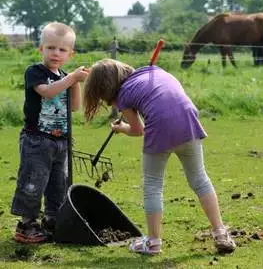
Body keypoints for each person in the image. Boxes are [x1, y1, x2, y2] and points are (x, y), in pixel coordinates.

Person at [82, 59, 236, 255]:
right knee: (199, 178)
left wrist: (122, 128)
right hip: (189, 121)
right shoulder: (154, 71)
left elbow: (138, 130)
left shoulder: (123, 95)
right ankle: (220, 233)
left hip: (161, 127)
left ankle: (153, 242)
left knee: (153, 184)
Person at [11, 22, 89, 243]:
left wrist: (76, 83)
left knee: (58, 183)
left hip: (60, 141)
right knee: (33, 180)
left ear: (70, 54)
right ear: (41, 49)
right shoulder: (35, 72)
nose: (56, 53)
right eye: (51, 47)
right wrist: (71, 79)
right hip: (37, 139)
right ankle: (26, 224)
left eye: (62, 50)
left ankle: (52, 219)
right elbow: (47, 92)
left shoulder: (66, 76)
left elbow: (74, 107)